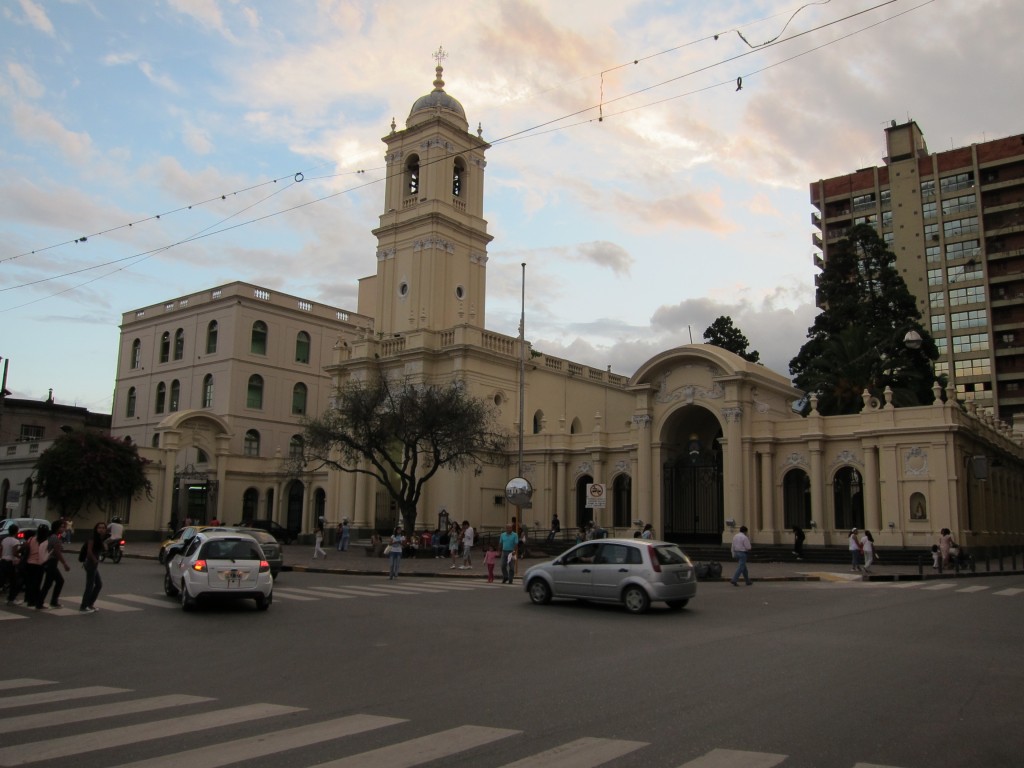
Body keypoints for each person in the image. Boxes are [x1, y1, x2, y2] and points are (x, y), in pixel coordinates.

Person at [38, 520, 71, 608]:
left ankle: (42, 602)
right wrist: (64, 563)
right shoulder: (55, 537)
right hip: (51, 562)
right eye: (62, 527)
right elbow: (57, 552)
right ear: (56, 528)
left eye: (64, 527)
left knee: (50, 582)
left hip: (49, 562)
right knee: (57, 581)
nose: (63, 529)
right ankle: (50, 602)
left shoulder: (53, 537)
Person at [80, 521, 107, 613]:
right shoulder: (92, 538)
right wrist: (95, 560)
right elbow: (89, 551)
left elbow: (104, 549)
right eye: (99, 527)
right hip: (90, 563)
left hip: (94, 564)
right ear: (96, 529)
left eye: (103, 528)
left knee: (98, 584)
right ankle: (84, 606)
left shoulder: (100, 538)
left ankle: (90, 604)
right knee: (90, 585)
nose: (101, 529)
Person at [23, 523, 50, 610]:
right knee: (37, 583)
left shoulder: (31, 539)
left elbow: (26, 548)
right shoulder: (45, 542)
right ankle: (35, 601)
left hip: (29, 563)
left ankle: (29, 600)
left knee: (30, 582)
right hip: (39, 564)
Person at [1, 524, 23, 605]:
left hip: (3, 561)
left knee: (2, 580)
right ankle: (11, 599)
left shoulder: (4, 540)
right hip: (10, 563)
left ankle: (10, 598)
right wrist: (20, 557)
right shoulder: (15, 541)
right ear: (16, 531)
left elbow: (1, 550)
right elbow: (14, 552)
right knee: (14, 581)